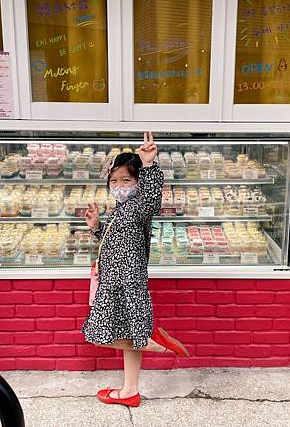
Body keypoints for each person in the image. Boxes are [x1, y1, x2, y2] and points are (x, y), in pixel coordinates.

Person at [81, 132, 190, 407]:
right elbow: (116, 240)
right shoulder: (120, 208)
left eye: (126, 180)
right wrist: (97, 228)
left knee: (101, 334)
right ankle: (130, 390)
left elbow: (154, 199)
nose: (119, 185)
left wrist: (149, 164)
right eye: (114, 180)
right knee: (127, 334)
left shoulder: (139, 206)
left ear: (138, 182)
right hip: (114, 279)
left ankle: (153, 342)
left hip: (127, 281)